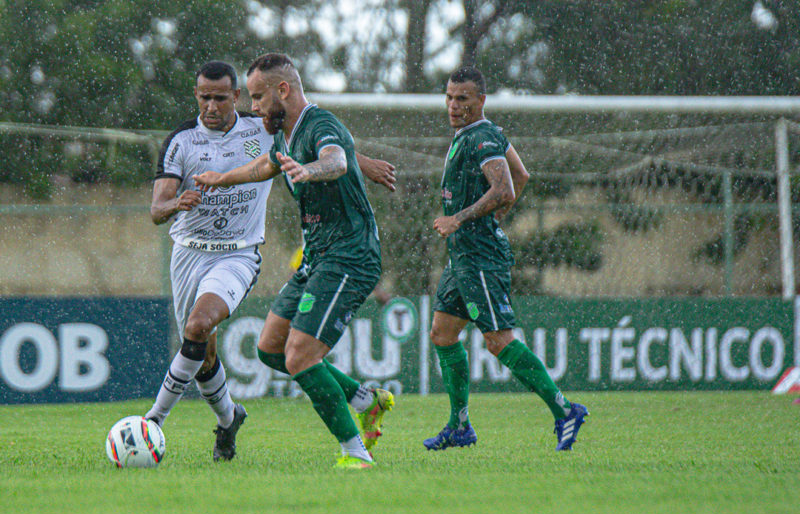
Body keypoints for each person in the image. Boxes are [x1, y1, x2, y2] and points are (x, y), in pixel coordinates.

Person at [147, 60, 395, 463]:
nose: (255, 107)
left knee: (299, 355)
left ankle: (356, 453)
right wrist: (221, 178)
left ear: (282, 91)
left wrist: (312, 170)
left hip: (349, 255)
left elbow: (335, 159)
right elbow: (266, 165)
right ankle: (366, 400)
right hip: (315, 255)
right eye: (205, 97)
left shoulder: (318, 125)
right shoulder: (282, 134)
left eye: (257, 97)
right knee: (269, 349)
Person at [423, 66, 589, 452]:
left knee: (498, 341)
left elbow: (504, 187)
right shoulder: (484, 133)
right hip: (464, 253)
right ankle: (460, 426)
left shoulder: (480, 136)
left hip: (479, 255)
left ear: (480, 101)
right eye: (449, 97)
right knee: (443, 333)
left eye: (462, 98)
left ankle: (565, 410)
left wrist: (460, 219)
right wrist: (494, 215)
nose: (453, 105)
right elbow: (522, 175)